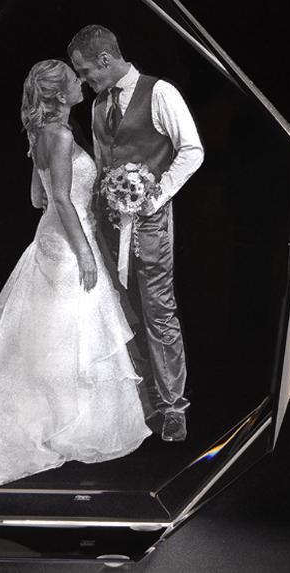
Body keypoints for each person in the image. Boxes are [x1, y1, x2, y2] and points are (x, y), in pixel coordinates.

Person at [0, 59, 151, 493]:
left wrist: (70, 202)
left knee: (50, 335)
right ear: (59, 93)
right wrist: (85, 251)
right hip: (69, 244)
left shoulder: (41, 133)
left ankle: (57, 412)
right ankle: (66, 422)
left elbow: (37, 197)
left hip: (50, 239)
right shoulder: (61, 135)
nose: (80, 83)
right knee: (70, 331)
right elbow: (59, 199)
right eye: (74, 80)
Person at [68, 25, 204, 442]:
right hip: (109, 227)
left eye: (86, 71)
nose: (84, 81)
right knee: (121, 312)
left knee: (159, 312)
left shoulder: (160, 93)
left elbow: (192, 150)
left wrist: (155, 195)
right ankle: (140, 402)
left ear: (105, 59)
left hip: (150, 223)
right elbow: (102, 165)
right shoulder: (97, 106)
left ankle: (174, 406)